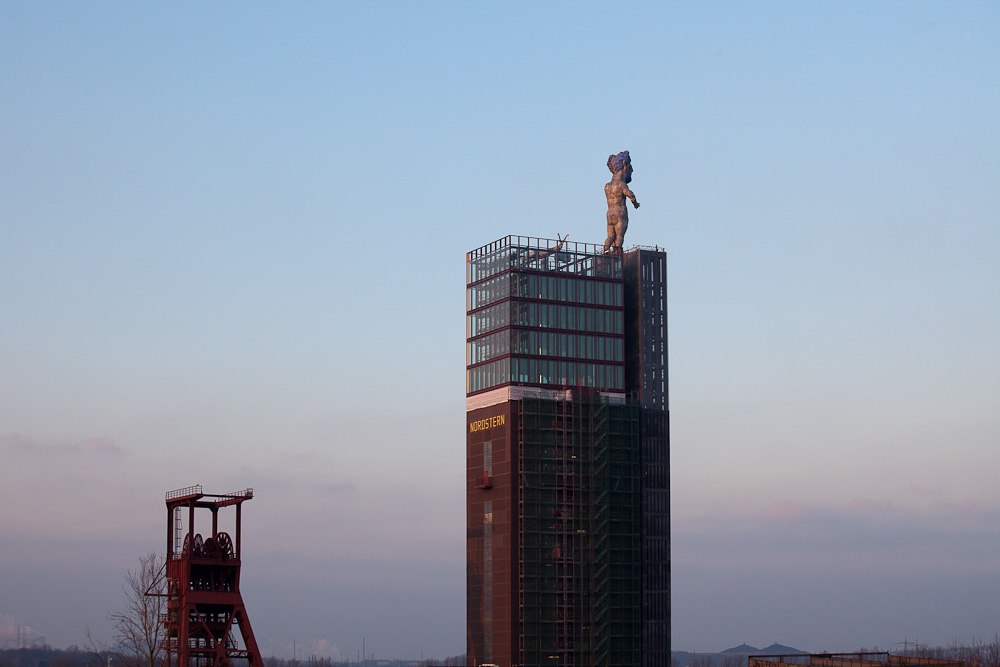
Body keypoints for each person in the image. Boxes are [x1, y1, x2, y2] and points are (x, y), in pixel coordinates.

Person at [604, 150, 640, 252]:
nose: (631, 170)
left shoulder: (607, 186)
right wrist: (635, 203)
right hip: (620, 212)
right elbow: (630, 194)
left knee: (610, 236)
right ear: (624, 165)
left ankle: (606, 249)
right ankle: (617, 253)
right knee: (620, 235)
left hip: (609, 213)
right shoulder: (621, 184)